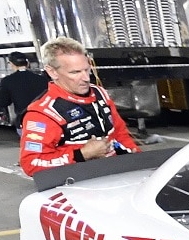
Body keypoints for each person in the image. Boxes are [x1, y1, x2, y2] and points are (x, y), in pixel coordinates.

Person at [20, 37, 140, 177]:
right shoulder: (43, 113)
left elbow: (120, 133)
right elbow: (31, 163)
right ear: (52, 72)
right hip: (78, 186)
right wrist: (81, 154)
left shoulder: (99, 93)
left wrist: (138, 161)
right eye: (75, 72)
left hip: (115, 177)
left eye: (87, 70)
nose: (86, 78)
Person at [0, 51, 49, 132]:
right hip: (45, 118)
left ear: (12, 64)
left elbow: (2, 103)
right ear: (27, 63)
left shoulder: (8, 81)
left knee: (30, 143)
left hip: (25, 121)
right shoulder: (42, 79)